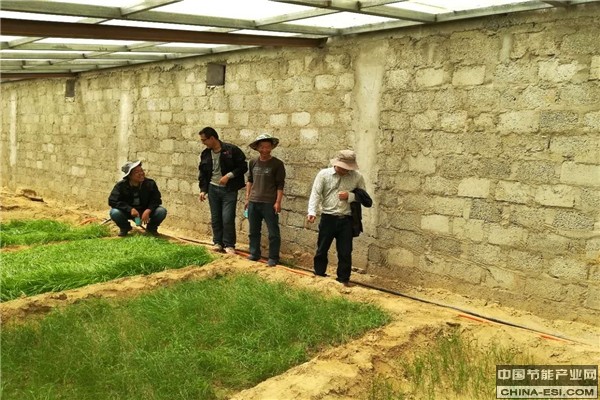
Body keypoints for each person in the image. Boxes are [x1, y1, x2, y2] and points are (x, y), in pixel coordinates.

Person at [306, 150, 367, 285]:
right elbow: (316, 193)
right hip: (328, 218)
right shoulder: (323, 175)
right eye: (343, 168)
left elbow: (364, 197)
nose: (345, 171)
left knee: (345, 252)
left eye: (348, 168)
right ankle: (319, 274)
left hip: (346, 219)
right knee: (322, 248)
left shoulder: (357, 177)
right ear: (336, 164)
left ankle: (343, 279)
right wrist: (312, 212)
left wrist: (350, 196)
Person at [198, 126, 248, 254]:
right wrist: (203, 190)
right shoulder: (205, 154)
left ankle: (229, 245)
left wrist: (229, 176)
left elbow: (243, 166)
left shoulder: (231, 150)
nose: (203, 143)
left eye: (204, 140)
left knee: (227, 218)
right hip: (212, 188)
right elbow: (203, 173)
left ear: (212, 138)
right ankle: (218, 242)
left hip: (229, 189)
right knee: (216, 218)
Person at [245, 133, 286, 266]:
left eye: (267, 147)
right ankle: (254, 253)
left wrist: (278, 202)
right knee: (253, 231)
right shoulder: (253, 162)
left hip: (269, 203)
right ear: (257, 148)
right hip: (253, 201)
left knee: (273, 232)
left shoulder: (277, 164)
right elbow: (250, 180)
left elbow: (280, 185)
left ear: (271, 148)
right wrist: (247, 198)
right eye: (262, 147)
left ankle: (273, 257)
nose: (265, 150)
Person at [108, 160, 167, 236]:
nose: (141, 173)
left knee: (161, 211)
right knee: (114, 212)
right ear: (129, 176)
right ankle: (125, 228)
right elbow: (112, 201)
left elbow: (156, 200)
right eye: (136, 172)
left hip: (144, 211)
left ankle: (151, 229)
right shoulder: (121, 186)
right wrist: (130, 209)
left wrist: (148, 210)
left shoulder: (150, 183)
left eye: (141, 170)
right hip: (128, 212)